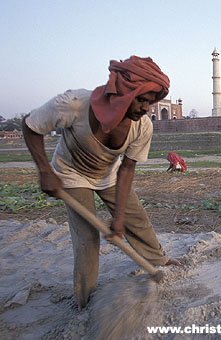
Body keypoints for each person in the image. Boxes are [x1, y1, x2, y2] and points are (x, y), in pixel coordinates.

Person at [22, 56, 182, 309]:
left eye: (150, 102)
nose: (145, 108)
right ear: (121, 93)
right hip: (71, 174)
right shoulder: (74, 104)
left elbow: (127, 169)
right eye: (141, 99)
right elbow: (31, 125)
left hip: (109, 174)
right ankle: (85, 300)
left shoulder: (143, 127)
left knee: (136, 218)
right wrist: (44, 170)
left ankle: (158, 261)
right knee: (86, 237)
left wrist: (118, 218)